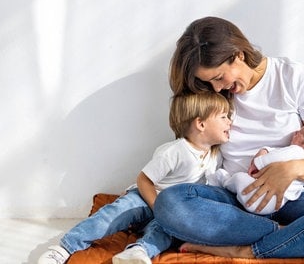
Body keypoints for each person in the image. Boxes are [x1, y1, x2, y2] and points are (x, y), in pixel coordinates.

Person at [154, 16, 304, 258]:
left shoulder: (292, 77)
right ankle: (296, 234)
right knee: (170, 203)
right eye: (209, 82)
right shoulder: (212, 97)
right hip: (235, 201)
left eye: (218, 77)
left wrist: (289, 171)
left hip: (294, 196)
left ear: (239, 55)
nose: (217, 88)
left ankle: (246, 249)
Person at [37, 92, 231, 264]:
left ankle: (139, 251)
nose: (230, 122)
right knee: (114, 214)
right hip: (147, 198)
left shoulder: (216, 156)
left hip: (170, 209)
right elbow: (144, 180)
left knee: (165, 232)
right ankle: (65, 247)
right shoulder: (176, 151)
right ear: (201, 124)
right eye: (224, 117)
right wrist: (157, 206)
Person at [208, 121, 304, 215]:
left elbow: (263, 162)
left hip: (256, 195)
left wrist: (261, 156)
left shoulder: (296, 151)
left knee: (238, 178)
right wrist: (266, 150)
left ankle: (224, 181)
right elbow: (277, 155)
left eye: (300, 133)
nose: (295, 132)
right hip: (274, 206)